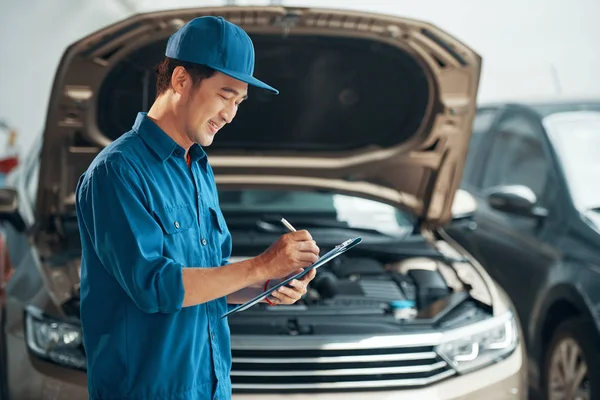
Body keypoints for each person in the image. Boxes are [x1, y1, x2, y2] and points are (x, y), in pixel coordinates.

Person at [75, 16, 320, 400]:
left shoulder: (198, 167)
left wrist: (268, 284)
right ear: (181, 80)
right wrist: (261, 264)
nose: (231, 114)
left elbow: (209, 278)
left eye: (239, 102)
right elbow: (156, 287)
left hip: (209, 387)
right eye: (225, 95)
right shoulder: (116, 172)